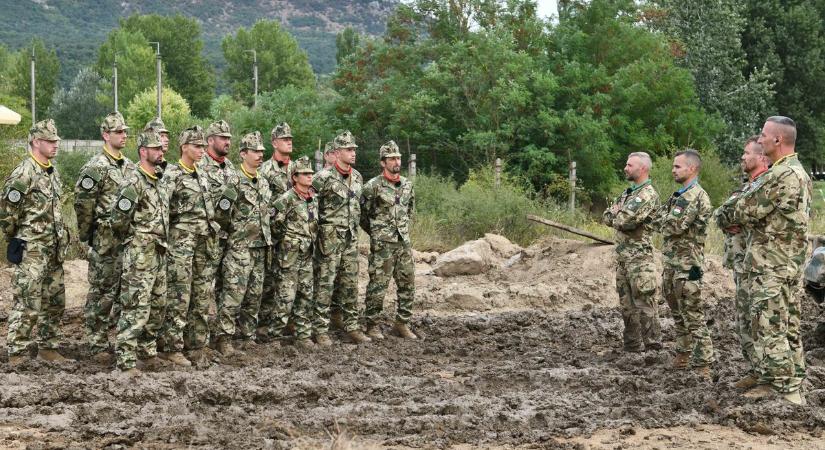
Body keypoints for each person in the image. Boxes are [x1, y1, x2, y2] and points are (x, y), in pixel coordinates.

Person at [732, 116, 812, 405]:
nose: (760, 139)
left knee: (770, 326)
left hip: (773, 265)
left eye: (764, 136)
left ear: (778, 140)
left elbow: (744, 210)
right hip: (783, 263)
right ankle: (784, 380)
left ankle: (786, 392)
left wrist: (738, 209)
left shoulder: (781, 175)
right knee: (786, 325)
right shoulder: (796, 171)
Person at [0, 119, 71, 365]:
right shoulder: (23, 173)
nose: (55, 145)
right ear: (36, 141)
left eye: (56, 141)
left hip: (54, 251)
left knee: (54, 303)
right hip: (32, 251)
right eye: (50, 141)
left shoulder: (51, 171)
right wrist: (19, 241)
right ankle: (17, 354)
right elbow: (7, 215)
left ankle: (48, 348)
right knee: (27, 303)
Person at [75, 112, 136, 363]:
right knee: (101, 293)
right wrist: (89, 235)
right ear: (105, 135)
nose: (123, 136)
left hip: (127, 241)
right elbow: (83, 204)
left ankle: (119, 340)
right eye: (118, 132)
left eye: (125, 132)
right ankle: (96, 342)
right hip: (105, 239)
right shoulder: (95, 167)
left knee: (124, 292)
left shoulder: (129, 166)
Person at [109, 130, 169, 374]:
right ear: (143, 151)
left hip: (159, 251)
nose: (161, 152)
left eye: (162, 148)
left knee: (158, 304)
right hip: (140, 254)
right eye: (156, 149)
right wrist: (137, 238)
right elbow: (118, 220)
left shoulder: (158, 178)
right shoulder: (133, 182)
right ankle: (125, 361)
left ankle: (147, 352)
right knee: (136, 306)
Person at [160, 125, 220, 367]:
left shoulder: (203, 175)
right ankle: (171, 347)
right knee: (179, 297)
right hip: (181, 246)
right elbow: (163, 212)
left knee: (201, 296)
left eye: (204, 146)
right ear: (184, 147)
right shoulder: (171, 175)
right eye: (197, 146)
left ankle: (196, 345)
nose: (202, 151)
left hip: (204, 244)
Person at [713, 136, 770, 389]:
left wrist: (735, 215)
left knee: (760, 321)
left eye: (747, 153)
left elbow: (740, 213)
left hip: (759, 265)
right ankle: (755, 371)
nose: (742, 158)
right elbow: (721, 215)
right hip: (742, 265)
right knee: (744, 320)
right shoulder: (745, 189)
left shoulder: (766, 186)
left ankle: (767, 374)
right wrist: (730, 216)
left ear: (762, 157)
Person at [213, 132, 272, 355]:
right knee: (232, 295)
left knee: (254, 296)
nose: (259, 156)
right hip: (239, 249)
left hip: (260, 249)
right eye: (255, 152)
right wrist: (235, 236)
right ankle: (224, 339)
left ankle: (248, 336)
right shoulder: (234, 182)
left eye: (261, 152)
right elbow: (221, 215)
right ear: (243, 154)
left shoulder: (264, 183)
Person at [657, 149, 714, 378]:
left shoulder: (695, 196)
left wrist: (662, 220)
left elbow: (672, 226)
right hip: (673, 263)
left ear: (692, 168)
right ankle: (684, 354)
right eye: (673, 166)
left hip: (688, 266)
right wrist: (662, 219)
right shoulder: (679, 195)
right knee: (678, 313)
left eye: (677, 166)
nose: (673, 170)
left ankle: (703, 364)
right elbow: (660, 218)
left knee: (693, 315)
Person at [312, 131, 371, 344]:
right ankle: (319, 329)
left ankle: (351, 326)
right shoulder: (322, 178)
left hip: (350, 240)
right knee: (325, 285)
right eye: (348, 149)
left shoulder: (357, 177)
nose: (353, 153)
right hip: (328, 241)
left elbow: (358, 209)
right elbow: (311, 209)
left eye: (354, 149)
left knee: (350, 284)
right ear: (336, 153)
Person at [602, 152, 661, 352]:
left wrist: (617, 212)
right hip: (624, 260)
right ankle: (632, 346)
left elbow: (622, 221)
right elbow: (607, 217)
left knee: (645, 304)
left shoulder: (647, 195)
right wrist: (616, 212)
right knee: (627, 306)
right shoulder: (628, 194)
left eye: (629, 165)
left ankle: (653, 349)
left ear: (642, 168)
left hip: (640, 260)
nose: (625, 168)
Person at [360, 140, 417, 340]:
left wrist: (401, 230)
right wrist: (378, 231)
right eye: (392, 158)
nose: (396, 162)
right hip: (383, 244)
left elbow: (409, 210)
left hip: (403, 243)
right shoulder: (372, 187)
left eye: (398, 158)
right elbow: (363, 215)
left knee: (408, 284)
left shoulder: (407, 185)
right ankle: (373, 325)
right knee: (378, 286)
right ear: (383, 162)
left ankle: (402, 323)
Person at [197, 120, 240, 351]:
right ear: (210, 140)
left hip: (229, 239)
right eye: (222, 137)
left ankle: (224, 337)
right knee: (202, 291)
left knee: (230, 290)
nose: (227, 141)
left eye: (229, 138)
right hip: (206, 239)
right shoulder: (200, 166)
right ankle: (199, 340)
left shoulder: (231, 168)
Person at [271, 156, 319, 349]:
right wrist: (288, 242)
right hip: (289, 256)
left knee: (306, 295)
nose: (309, 177)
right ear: (295, 177)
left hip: (307, 254)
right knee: (285, 297)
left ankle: (303, 335)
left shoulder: (313, 198)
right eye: (305, 174)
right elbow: (275, 225)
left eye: (310, 174)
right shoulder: (286, 199)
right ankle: (274, 336)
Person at [257, 122, 295, 341]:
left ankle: (287, 321)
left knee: (291, 280)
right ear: (274, 143)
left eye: (290, 139)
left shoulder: (298, 169)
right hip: (273, 233)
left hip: (295, 233)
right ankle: (264, 324)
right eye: (284, 139)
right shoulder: (265, 170)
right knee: (270, 280)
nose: (289, 142)